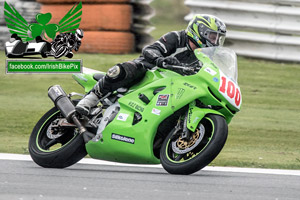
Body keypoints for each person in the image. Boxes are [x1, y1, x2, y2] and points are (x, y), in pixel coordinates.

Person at [75, 14, 227, 115]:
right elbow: (150, 50)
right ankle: (91, 99)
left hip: (172, 84)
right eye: (213, 37)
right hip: (149, 71)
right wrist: (162, 60)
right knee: (127, 69)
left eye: (219, 38)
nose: (215, 42)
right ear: (200, 31)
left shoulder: (206, 57)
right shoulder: (176, 38)